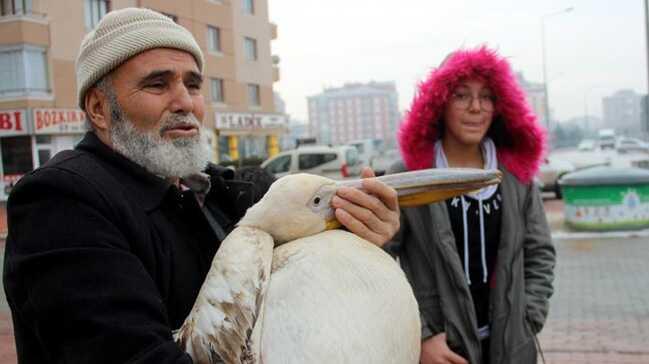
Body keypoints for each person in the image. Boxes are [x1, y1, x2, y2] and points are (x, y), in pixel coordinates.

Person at [2, 8, 400, 363]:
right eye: (158, 85)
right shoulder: (61, 201)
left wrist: (353, 231)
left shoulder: (234, 191)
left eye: (193, 85)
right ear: (99, 109)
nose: (185, 103)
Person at [386, 47, 556, 364]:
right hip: (439, 351)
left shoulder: (516, 177)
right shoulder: (408, 177)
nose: (476, 108)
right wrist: (419, 335)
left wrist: (527, 318)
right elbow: (377, 264)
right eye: (462, 96)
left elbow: (540, 253)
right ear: (439, 102)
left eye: (487, 97)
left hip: (510, 348)